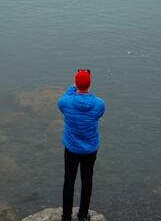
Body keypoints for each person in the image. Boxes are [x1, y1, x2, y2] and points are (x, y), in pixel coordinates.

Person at [57, 69, 106, 221]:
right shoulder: (100, 104)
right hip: (90, 150)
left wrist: (74, 86)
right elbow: (97, 115)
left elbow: (64, 98)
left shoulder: (65, 102)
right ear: (90, 83)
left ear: (76, 83)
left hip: (71, 149)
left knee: (69, 181)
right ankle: (83, 215)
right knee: (87, 181)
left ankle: (66, 216)